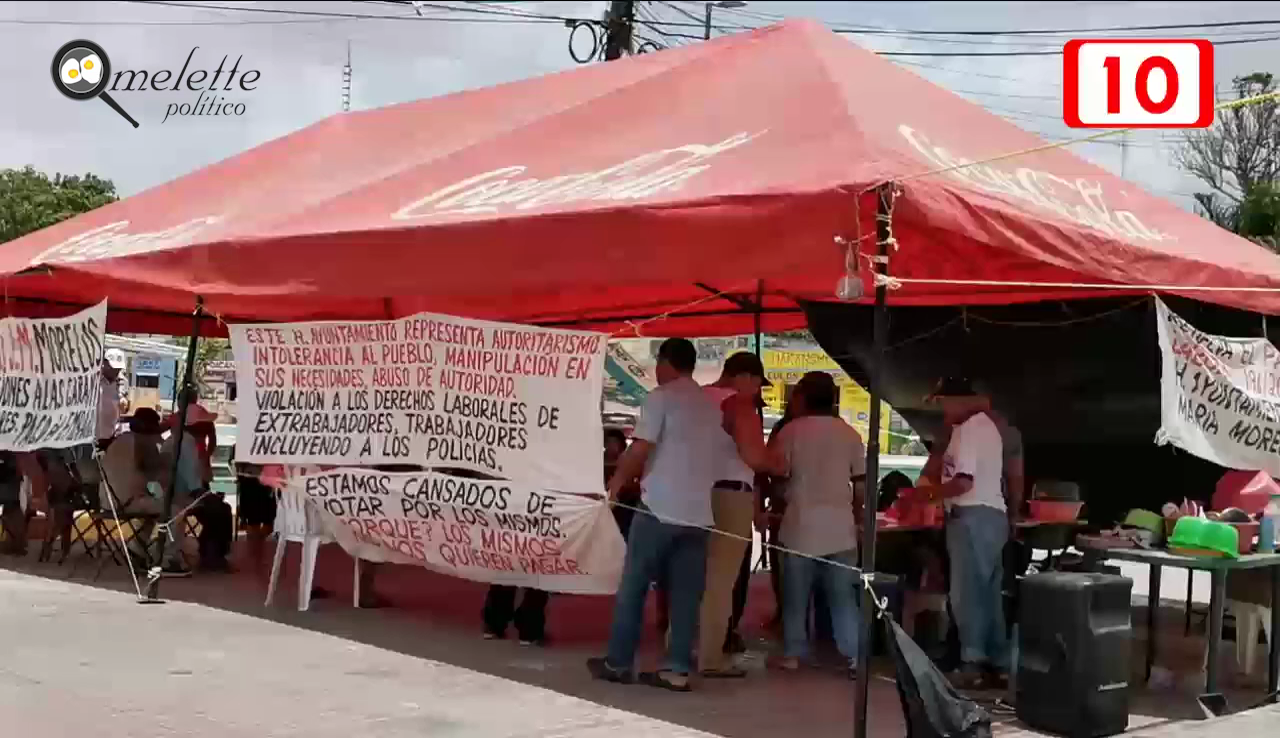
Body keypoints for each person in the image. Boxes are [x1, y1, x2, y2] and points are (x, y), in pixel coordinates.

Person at [588, 337, 722, 692]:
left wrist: (616, 482)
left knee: (633, 586)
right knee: (685, 595)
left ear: (665, 362)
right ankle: (676, 668)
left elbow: (641, 447)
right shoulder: (709, 406)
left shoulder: (661, 397)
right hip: (699, 514)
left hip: (659, 507)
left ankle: (619, 662)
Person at [769, 372, 867, 678]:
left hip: (801, 524)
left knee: (795, 595)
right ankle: (854, 656)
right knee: (843, 596)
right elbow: (861, 486)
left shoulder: (791, 432)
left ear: (802, 397)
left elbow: (778, 476)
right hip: (841, 526)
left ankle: (794, 654)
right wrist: (857, 515)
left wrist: (776, 502)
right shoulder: (850, 433)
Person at [920, 377, 1011, 690]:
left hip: (974, 517)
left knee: (967, 595)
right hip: (984, 518)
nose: (942, 410)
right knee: (986, 595)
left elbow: (963, 482)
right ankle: (999, 664)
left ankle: (972, 663)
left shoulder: (973, 429)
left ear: (958, 400)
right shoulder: (968, 429)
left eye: (944, 402)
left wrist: (927, 496)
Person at [697, 352, 782, 678]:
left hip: (693, 492)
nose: (758, 392)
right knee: (720, 582)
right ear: (745, 377)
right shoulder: (738, 405)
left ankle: (677, 644)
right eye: (758, 383)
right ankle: (710, 656)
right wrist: (778, 463)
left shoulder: (698, 398)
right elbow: (754, 457)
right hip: (730, 495)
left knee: (691, 576)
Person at [99, 408, 190, 575]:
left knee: (152, 510)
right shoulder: (143, 442)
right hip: (126, 502)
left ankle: (136, 551)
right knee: (176, 509)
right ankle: (169, 560)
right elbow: (158, 473)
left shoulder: (122, 440)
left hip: (108, 501)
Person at [604, 428, 641, 541]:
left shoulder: (628, 462)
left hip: (624, 504)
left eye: (615, 443)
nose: (612, 447)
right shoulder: (599, 461)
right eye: (609, 443)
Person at [97, 350, 130, 451]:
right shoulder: (95, 380)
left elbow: (125, 408)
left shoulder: (122, 382)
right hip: (92, 437)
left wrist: (124, 403)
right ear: (104, 364)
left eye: (118, 368)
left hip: (112, 436)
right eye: (113, 368)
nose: (116, 371)